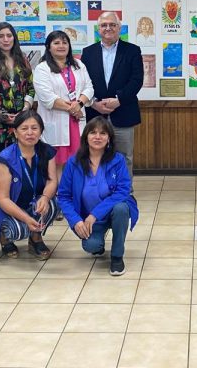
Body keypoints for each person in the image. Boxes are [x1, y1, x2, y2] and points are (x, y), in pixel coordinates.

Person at [58, 117, 139, 276]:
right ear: (85, 137)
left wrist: (94, 215)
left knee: (121, 208)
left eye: (103, 133)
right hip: (87, 217)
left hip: (108, 212)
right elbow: (64, 197)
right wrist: (76, 220)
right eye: (93, 132)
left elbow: (123, 191)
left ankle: (117, 256)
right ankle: (99, 243)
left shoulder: (118, 160)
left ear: (109, 138)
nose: (97, 137)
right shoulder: (73, 163)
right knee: (91, 246)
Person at [0, 111, 60, 260]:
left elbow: (52, 181)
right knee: (17, 229)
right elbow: (3, 199)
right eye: (24, 129)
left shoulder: (47, 151)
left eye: (34, 128)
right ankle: (5, 239)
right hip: (6, 207)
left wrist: (44, 197)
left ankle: (35, 238)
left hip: (33, 201)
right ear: (16, 132)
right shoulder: (5, 159)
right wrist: (25, 218)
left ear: (41, 131)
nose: (30, 133)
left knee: (53, 203)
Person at [81, 11, 143, 179]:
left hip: (123, 112)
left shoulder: (132, 51)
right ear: (98, 29)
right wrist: (93, 103)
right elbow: (83, 82)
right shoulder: (88, 53)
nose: (108, 28)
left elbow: (137, 80)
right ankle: (98, 192)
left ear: (119, 28)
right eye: (104, 25)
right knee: (95, 156)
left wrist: (119, 100)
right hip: (95, 114)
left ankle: (125, 194)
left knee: (124, 157)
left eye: (112, 25)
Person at [0, 22, 35, 193]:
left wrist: (24, 111)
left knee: (18, 162)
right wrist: (0, 114)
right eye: (1, 36)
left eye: (9, 36)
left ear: (14, 38)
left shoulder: (23, 60)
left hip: (20, 122)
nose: (5, 39)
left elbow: (30, 88)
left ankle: (16, 198)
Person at [34, 30, 94, 178]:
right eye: (56, 43)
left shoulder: (78, 64)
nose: (61, 46)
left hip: (76, 122)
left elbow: (89, 87)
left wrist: (79, 104)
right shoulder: (42, 68)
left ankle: (74, 196)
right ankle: (59, 198)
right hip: (56, 121)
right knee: (56, 164)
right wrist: (74, 109)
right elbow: (47, 97)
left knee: (78, 162)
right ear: (48, 47)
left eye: (64, 42)